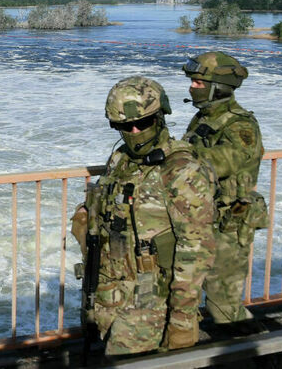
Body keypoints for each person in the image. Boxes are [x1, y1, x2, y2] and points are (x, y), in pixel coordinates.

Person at [72, 75, 216, 355]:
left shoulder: (181, 170)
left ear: (161, 116)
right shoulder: (121, 159)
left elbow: (196, 251)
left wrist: (182, 320)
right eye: (125, 126)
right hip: (110, 291)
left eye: (144, 123)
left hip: (150, 301)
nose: (135, 131)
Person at [181, 51, 268, 333]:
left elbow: (223, 161)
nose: (192, 87)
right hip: (201, 221)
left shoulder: (240, 125)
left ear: (218, 87)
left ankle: (259, 353)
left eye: (198, 83)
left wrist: (177, 156)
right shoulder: (203, 118)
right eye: (192, 82)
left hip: (229, 225)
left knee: (223, 305)